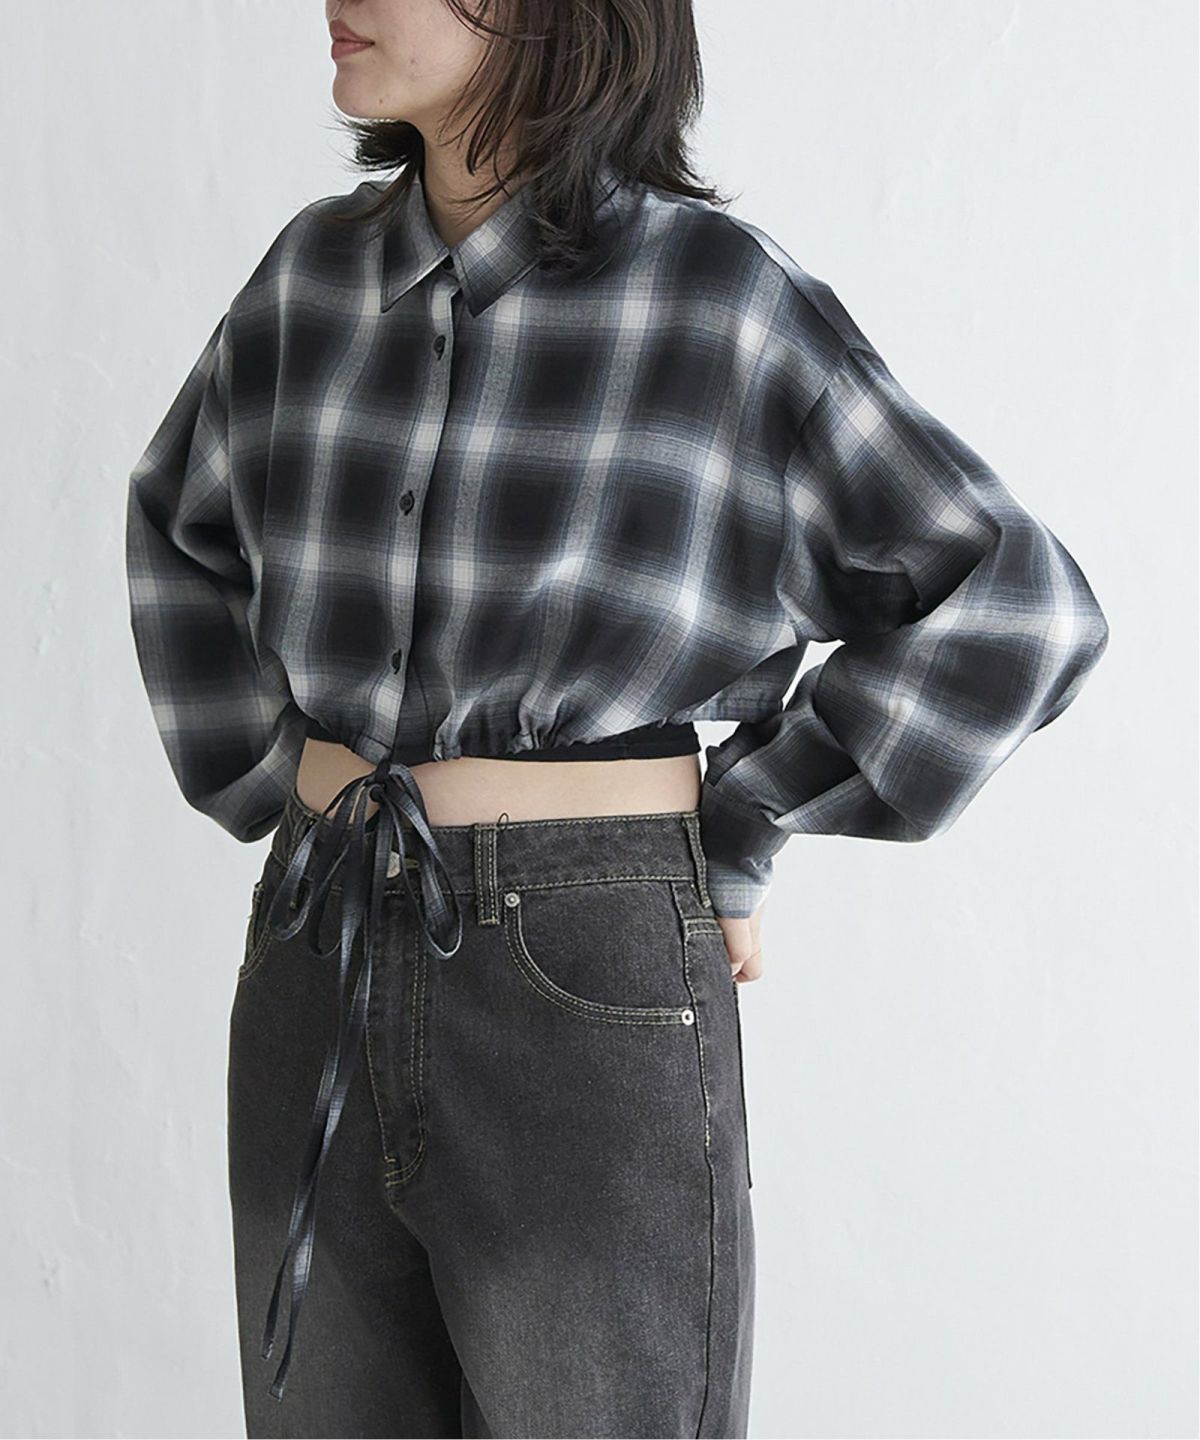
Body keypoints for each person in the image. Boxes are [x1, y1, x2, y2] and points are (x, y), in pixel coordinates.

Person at [123, 1, 1110, 1435]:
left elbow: (1016, 606)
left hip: (584, 972)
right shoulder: (308, 281)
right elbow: (178, 528)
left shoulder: (716, 299)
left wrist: (745, 822)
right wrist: (282, 788)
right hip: (314, 946)